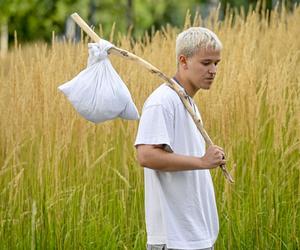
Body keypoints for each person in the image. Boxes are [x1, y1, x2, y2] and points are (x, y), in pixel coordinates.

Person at [134, 27, 226, 250]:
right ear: (183, 61)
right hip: (174, 240)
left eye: (216, 63)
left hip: (194, 237)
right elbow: (145, 155)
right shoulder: (163, 101)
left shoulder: (187, 102)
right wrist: (202, 162)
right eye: (206, 63)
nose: (213, 70)